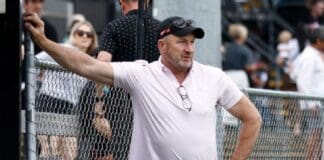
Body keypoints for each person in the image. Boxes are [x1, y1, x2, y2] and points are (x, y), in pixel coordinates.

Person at [24, 12, 262, 159]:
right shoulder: (142, 74)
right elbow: (85, 65)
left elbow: (253, 118)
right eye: (181, 42)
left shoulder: (214, 77)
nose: (189, 48)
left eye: (192, 42)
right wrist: (44, 41)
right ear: (162, 46)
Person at [35, 21, 100, 160]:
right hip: (50, 100)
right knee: (50, 150)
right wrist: (32, 84)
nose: (84, 36)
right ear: (73, 35)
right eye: (80, 33)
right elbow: (36, 60)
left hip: (71, 107)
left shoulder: (91, 59)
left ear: (92, 39)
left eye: (88, 34)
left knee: (69, 153)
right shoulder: (63, 49)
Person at [290, 26, 324, 160]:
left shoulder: (315, 55)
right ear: (318, 41)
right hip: (315, 104)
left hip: (319, 102)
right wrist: (311, 104)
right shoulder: (309, 56)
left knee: (319, 136)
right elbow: (303, 81)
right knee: (315, 135)